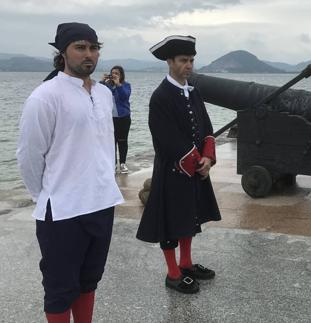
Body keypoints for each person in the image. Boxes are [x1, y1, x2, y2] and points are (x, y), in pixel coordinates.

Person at [16, 22, 124, 323]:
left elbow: (102, 146)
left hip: (102, 203)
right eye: (80, 47)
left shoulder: (104, 94)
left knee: (89, 281)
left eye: (93, 47)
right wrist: (45, 196)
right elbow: (28, 156)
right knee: (60, 288)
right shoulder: (45, 96)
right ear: (63, 53)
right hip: (62, 211)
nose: (88, 54)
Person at [136, 35, 221, 294]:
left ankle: (186, 262)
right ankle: (173, 273)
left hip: (195, 169)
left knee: (189, 216)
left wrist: (207, 158)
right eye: (184, 60)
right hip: (173, 171)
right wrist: (197, 162)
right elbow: (166, 138)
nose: (189, 65)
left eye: (192, 60)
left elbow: (206, 128)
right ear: (169, 62)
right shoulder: (160, 97)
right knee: (170, 221)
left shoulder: (193, 92)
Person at [101, 66, 132, 173]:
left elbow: (125, 96)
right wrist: (102, 81)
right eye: (112, 73)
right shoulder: (107, 86)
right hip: (110, 118)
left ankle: (123, 164)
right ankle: (113, 164)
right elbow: (97, 94)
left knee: (122, 141)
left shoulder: (126, 85)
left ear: (121, 75)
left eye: (116, 73)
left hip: (124, 117)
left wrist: (118, 84)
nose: (114, 75)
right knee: (111, 142)